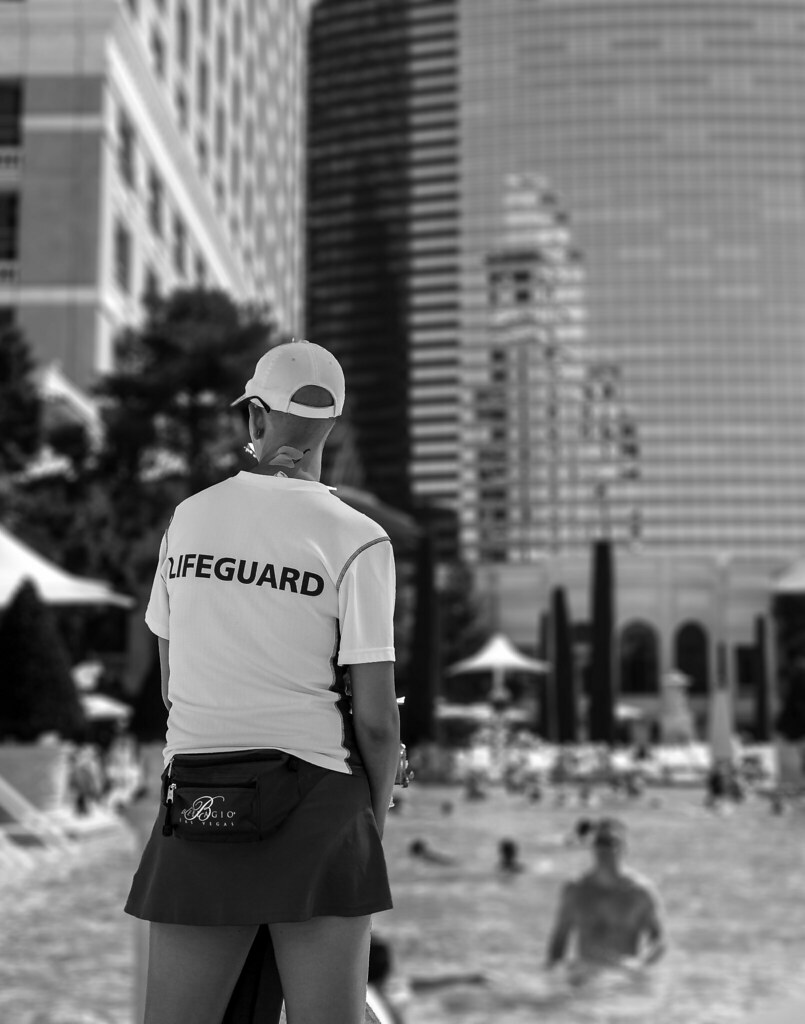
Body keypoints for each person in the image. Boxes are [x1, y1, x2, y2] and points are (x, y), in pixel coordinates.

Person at [124, 341, 401, 1024]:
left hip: (200, 801)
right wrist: (370, 822)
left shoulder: (189, 518)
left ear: (254, 417)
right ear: (331, 427)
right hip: (318, 809)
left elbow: (171, 683)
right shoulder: (359, 538)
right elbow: (374, 721)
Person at [545, 818, 666, 984]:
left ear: (624, 848)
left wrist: (641, 965)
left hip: (624, 981)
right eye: (599, 842)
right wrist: (551, 980)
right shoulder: (575, 890)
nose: (604, 848)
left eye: (611, 842)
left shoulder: (641, 892)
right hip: (584, 980)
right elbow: (559, 939)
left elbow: (658, 940)